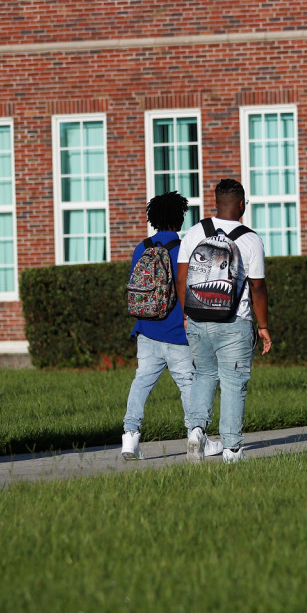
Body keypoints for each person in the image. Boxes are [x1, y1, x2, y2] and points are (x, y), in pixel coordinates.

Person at [178, 179, 272, 462]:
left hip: (197, 319)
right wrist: (264, 327)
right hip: (235, 322)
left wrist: (186, 314)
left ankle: (196, 431)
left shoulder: (195, 232)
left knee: (204, 375)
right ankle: (231, 448)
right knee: (233, 382)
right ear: (242, 204)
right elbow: (257, 287)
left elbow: (181, 278)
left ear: (216, 202)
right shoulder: (250, 239)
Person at [122, 191, 200, 460]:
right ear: (178, 221)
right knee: (188, 384)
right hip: (178, 332)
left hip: (146, 330)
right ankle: (194, 435)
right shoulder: (183, 249)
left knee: (141, 382)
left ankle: (130, 437)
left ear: (152, 219)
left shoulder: (141, 248)